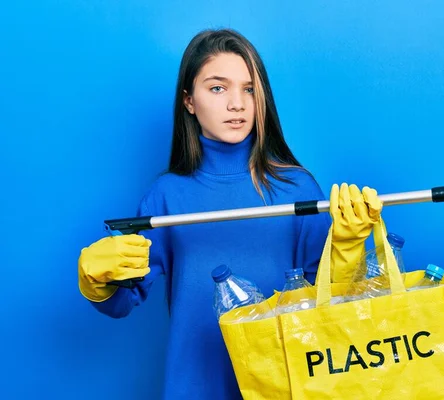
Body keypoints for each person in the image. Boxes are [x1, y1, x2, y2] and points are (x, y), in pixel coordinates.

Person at [77, 28, 381, 399]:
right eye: (217, 88)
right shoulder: (165, 197)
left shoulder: (297, 189)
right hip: (195, 385)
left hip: (285, 384)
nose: (237, 104)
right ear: (189, 101)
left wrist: (347, 247)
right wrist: (98, 283)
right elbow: (123, 302)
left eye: (249, 89)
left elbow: (332, 304)